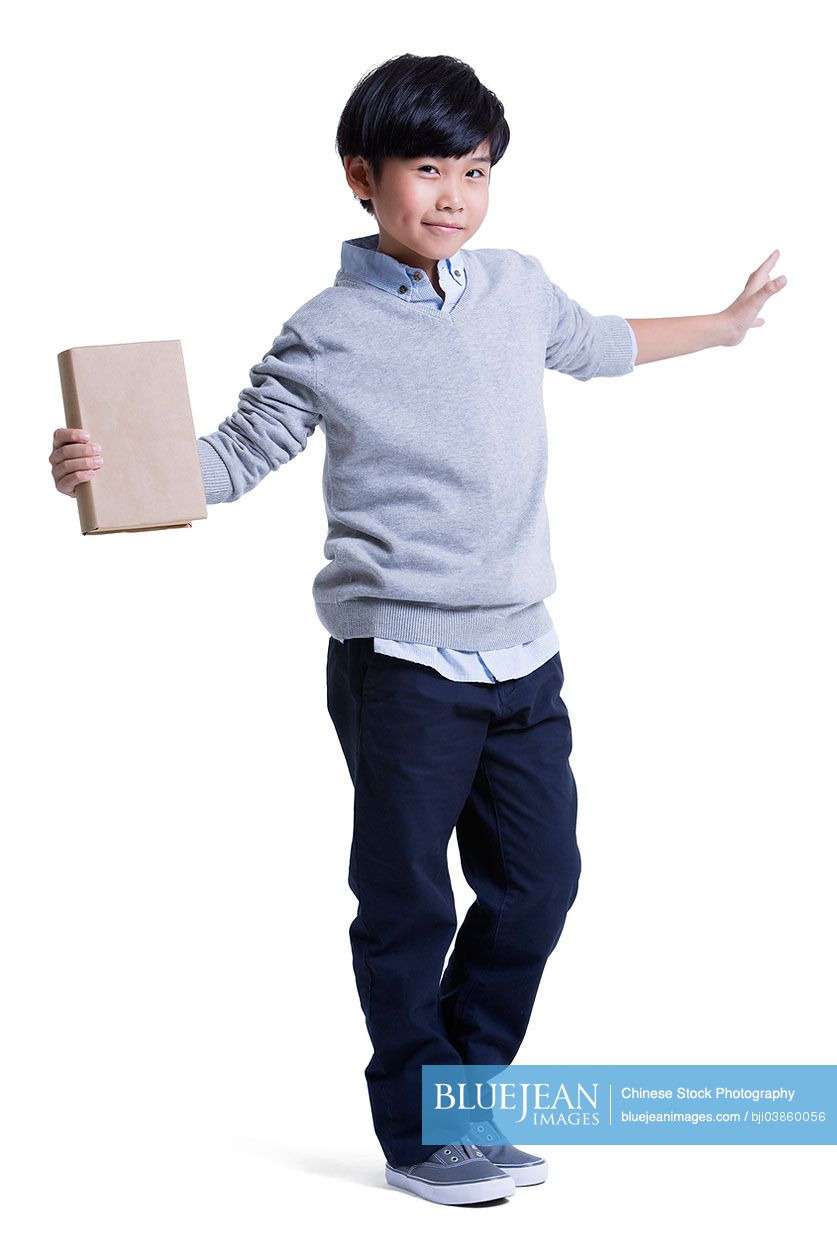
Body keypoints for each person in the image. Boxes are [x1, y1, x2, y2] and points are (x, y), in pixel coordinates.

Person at [49, 52, 786, 1207]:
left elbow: (606, 342)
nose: (454, 194)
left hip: (524, 653)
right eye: (428, 169)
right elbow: (233, 457)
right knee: (407, 906)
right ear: (363, 177)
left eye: (475, 171)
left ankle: (465, 1105)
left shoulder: (517, 289)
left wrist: (728, 324)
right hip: (400, 667)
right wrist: (106, 464)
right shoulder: (325, 331)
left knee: (539, 886)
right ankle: (420, 1136)